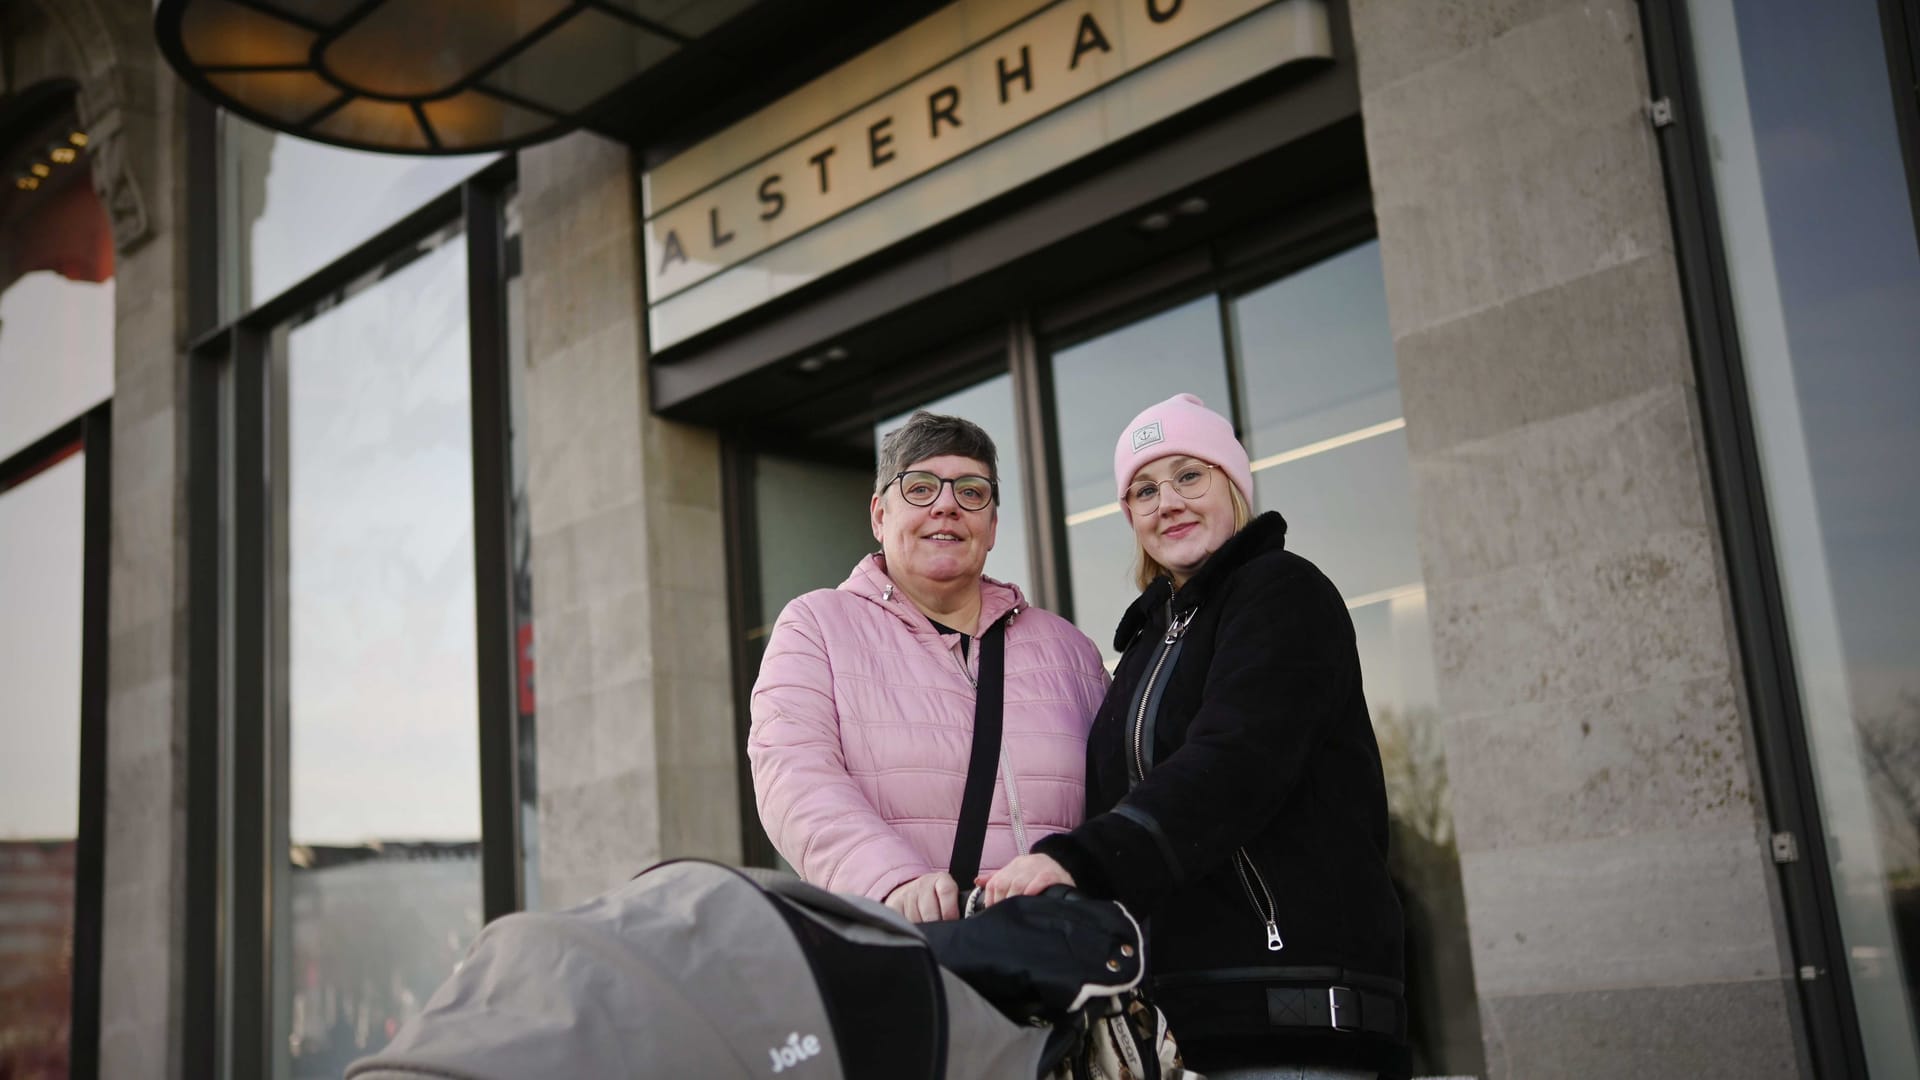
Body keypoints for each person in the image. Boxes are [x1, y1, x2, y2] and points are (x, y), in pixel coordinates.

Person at [980, 393, 1410, 1080]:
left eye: (1190, 476)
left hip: (1295, 1014)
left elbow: (1234, 764)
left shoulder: (1283, 593)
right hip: (1191, 1022)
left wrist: (1077, 861)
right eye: (1143, 490)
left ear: (1233, 484)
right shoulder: (1148, 642)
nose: (1167, 503)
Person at [749, 411, 1108, 923]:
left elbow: (1122, 797)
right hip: (915, 955)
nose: (946, 506)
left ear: (992, 527)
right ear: (879, 515)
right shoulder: (817, 628)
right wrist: (893, 882)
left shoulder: (1072, 654)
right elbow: (794, 777)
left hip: (1063, 961)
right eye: (920, 488)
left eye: (972, 492)